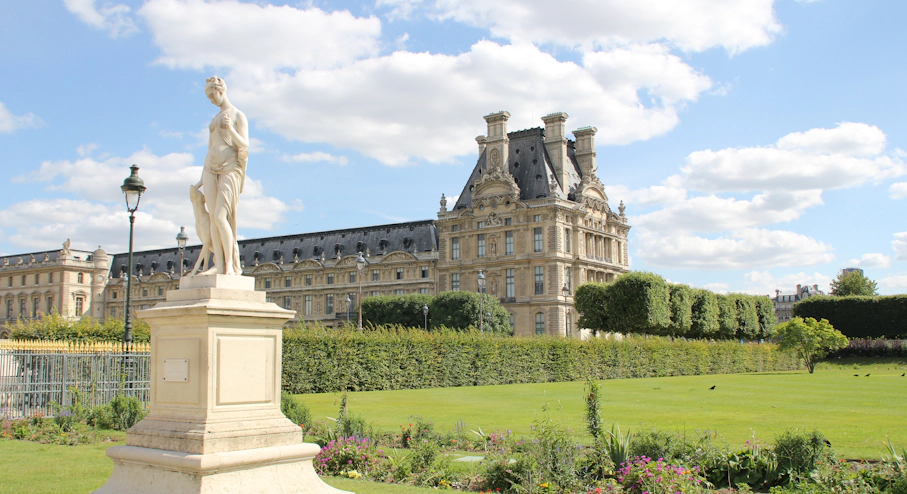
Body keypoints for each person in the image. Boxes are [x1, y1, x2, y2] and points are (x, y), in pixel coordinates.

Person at [193, 76, 248, 275]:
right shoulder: (213, 120)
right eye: (208, 97)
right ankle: (219, 264)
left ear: (221, 90)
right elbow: (209, 148)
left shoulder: (238, 115)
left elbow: (244, 145)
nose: (211, 100)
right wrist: (200, 178)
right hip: (210, 168)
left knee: (220, 216)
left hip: (229, 168)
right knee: (214, 220)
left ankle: (231, 266)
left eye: (212, 95)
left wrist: (231, 129)